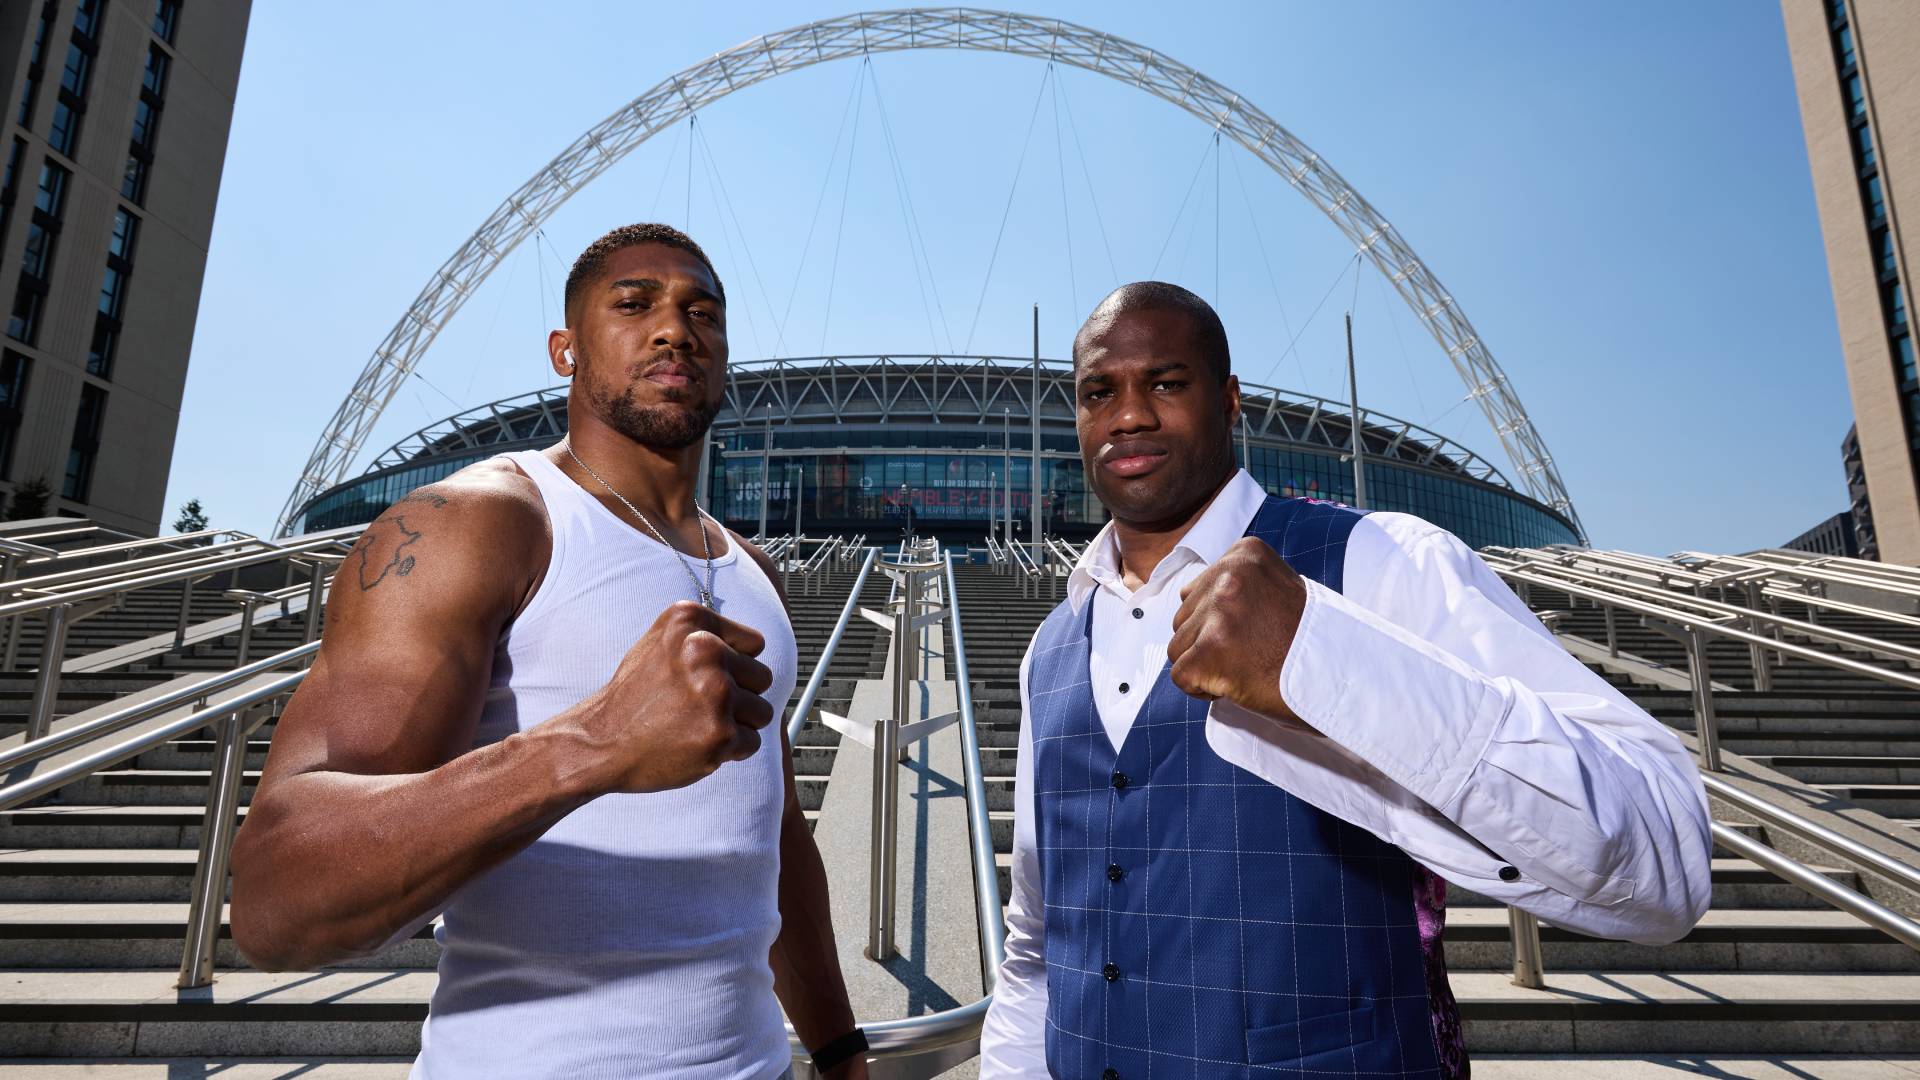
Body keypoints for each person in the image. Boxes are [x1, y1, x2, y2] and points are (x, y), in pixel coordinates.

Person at [977, 282, 1712, 1079]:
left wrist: (1328, 663)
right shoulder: (1049, 649)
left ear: (1229, 401)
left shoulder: (1381, 562)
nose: (1129, 416)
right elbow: (1040, 944)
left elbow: (1666, 862)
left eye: (1165, 382)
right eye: (1098, 393)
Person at [231, 224, 868, 1080]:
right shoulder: (481, 526)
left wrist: (838, 1049)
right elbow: (276, 902)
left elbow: (776, 837)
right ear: (566, 350)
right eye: (634, 304)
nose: (675, 329)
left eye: (702, 312)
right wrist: (591, 745)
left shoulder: (753, 572)